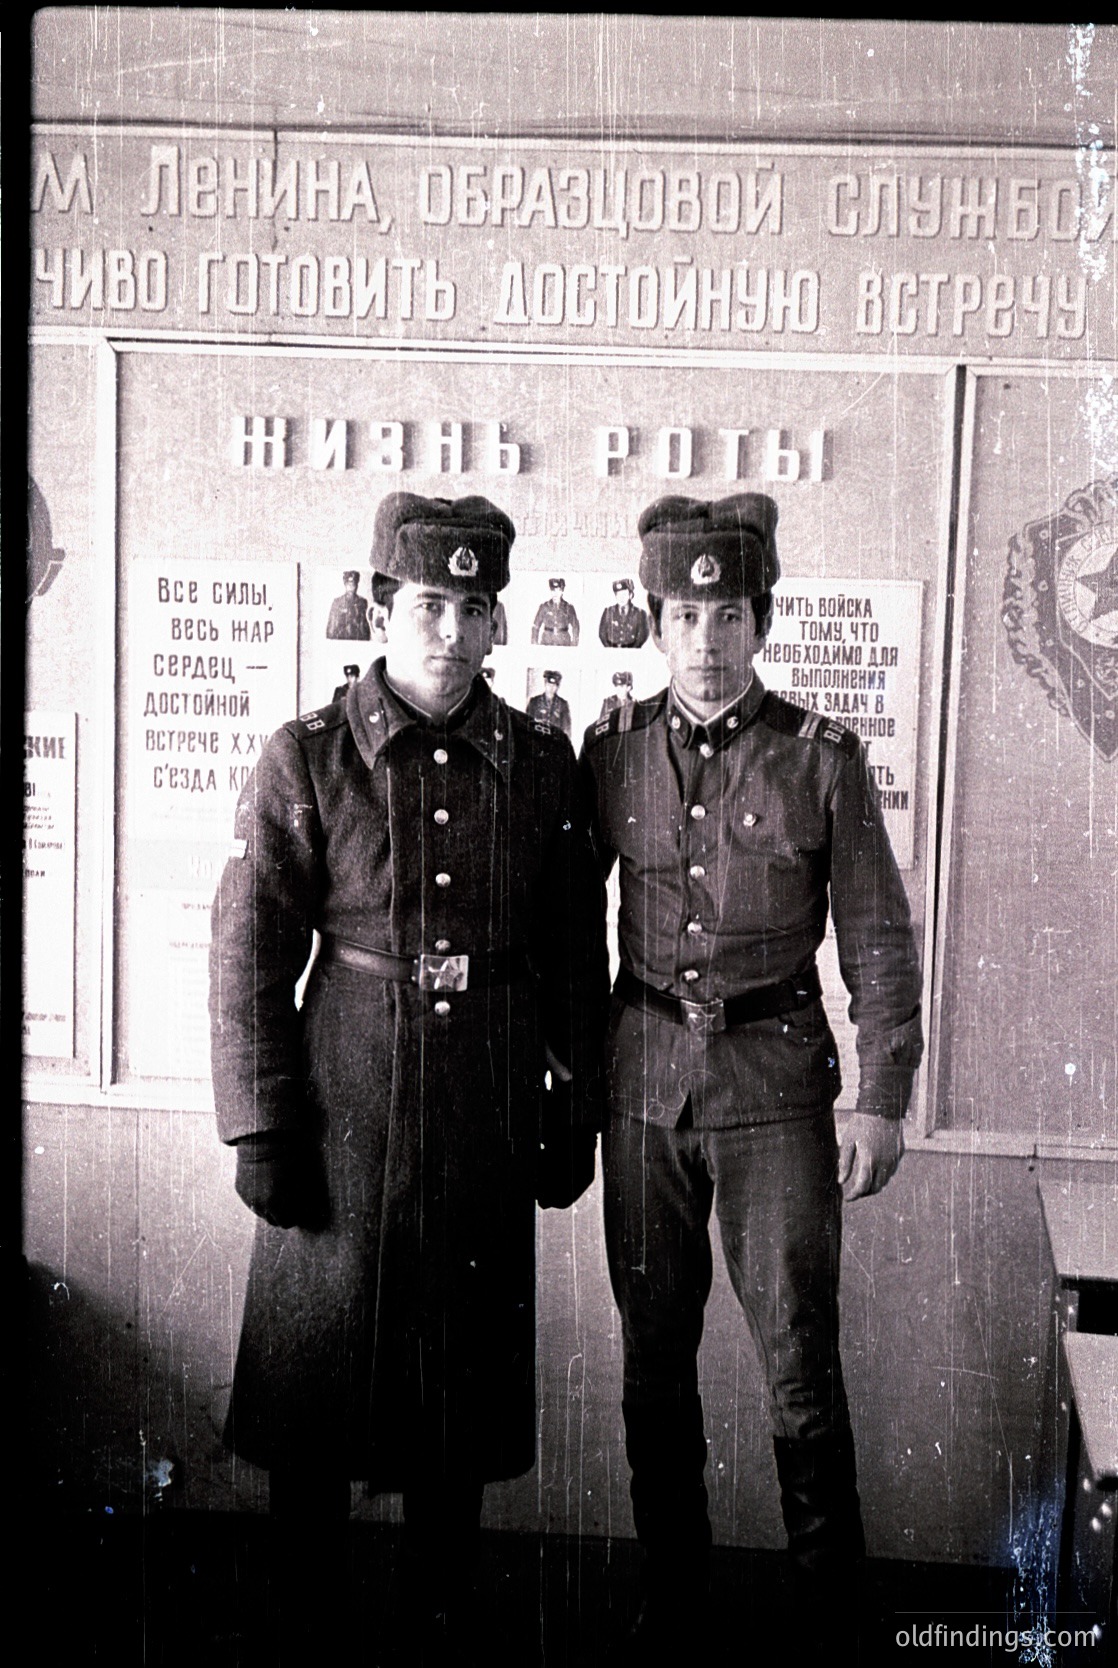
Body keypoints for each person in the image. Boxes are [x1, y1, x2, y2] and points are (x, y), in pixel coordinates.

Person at [210, 492, 608, 1655]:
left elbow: (575, 956)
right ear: (383, 608)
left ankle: (437, 1619)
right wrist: (260, 1127)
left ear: (496, 627)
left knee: (459, 1388)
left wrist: (567, 1110)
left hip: (481, 1109)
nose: (448, 631)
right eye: (427, 603)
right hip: (342, 1107)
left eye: (472, 609)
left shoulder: (539, 768)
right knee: (311, 1385)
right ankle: (303, 1623)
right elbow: (247, 952)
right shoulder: (309, 756)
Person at [579, 493, 924, 1657]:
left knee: (795, 1360)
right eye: (686, 614)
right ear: (657, 623)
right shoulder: (610, 750)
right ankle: (671, 1597)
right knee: (650, 1354)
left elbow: (876, 937)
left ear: (760, 622)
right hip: (640, 1093)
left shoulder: (820, 760)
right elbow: (569, 923)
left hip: (775, 1094)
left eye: (730, 615)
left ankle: (829, 1611)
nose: (708, 640)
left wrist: (879, 1094)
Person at [598, 578, 650, 649]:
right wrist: (610, 649)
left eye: (624, 594)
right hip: (611, 652)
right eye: (618, 595)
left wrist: (631, 650)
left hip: (632, 653)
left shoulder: (639, 614)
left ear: (630, 595)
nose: (621, 598)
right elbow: (602, 634)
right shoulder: (608, 612)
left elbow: (642, 636)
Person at [531, 576, 580, 646]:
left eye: (558, 590)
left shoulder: (568, 608)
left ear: (562, 591)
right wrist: (534, 643)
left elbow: (576, 626)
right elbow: (536, 626)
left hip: (563, 642)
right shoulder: (544, 607)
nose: (555, 594)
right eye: (553, 590)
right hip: (547, 641)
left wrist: (575, 643)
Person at [325, 569, 371, 639]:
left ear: (357, 585)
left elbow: (365, 630)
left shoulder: (362, 603)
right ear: (345, 584)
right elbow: (330, 630)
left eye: (353, 583)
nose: (351, 587)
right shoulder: (337, 603)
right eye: (348, 584)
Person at [527, 669, 573, 739]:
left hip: (554, 743)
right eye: (549, 685)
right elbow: (526, 724)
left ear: (557, 687)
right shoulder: (534, 702)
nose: (551, 688)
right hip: (537, 740)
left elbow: (567, 729)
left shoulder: (563, 704)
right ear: (545, 684)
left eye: (554, 686)